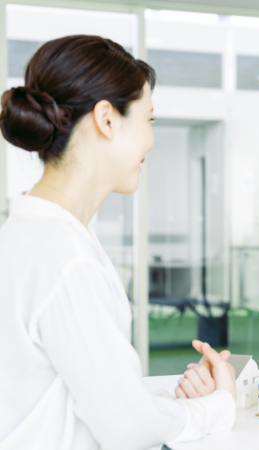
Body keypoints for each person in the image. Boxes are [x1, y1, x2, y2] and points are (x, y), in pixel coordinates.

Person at [0, 35, 237, 449]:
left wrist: (169, 407)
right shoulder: (64, 256)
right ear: (107, 119)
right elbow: (128, 429)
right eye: (149, 119)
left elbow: (80, 397)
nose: (150, 139)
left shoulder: (32, 235)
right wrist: (218, 405)